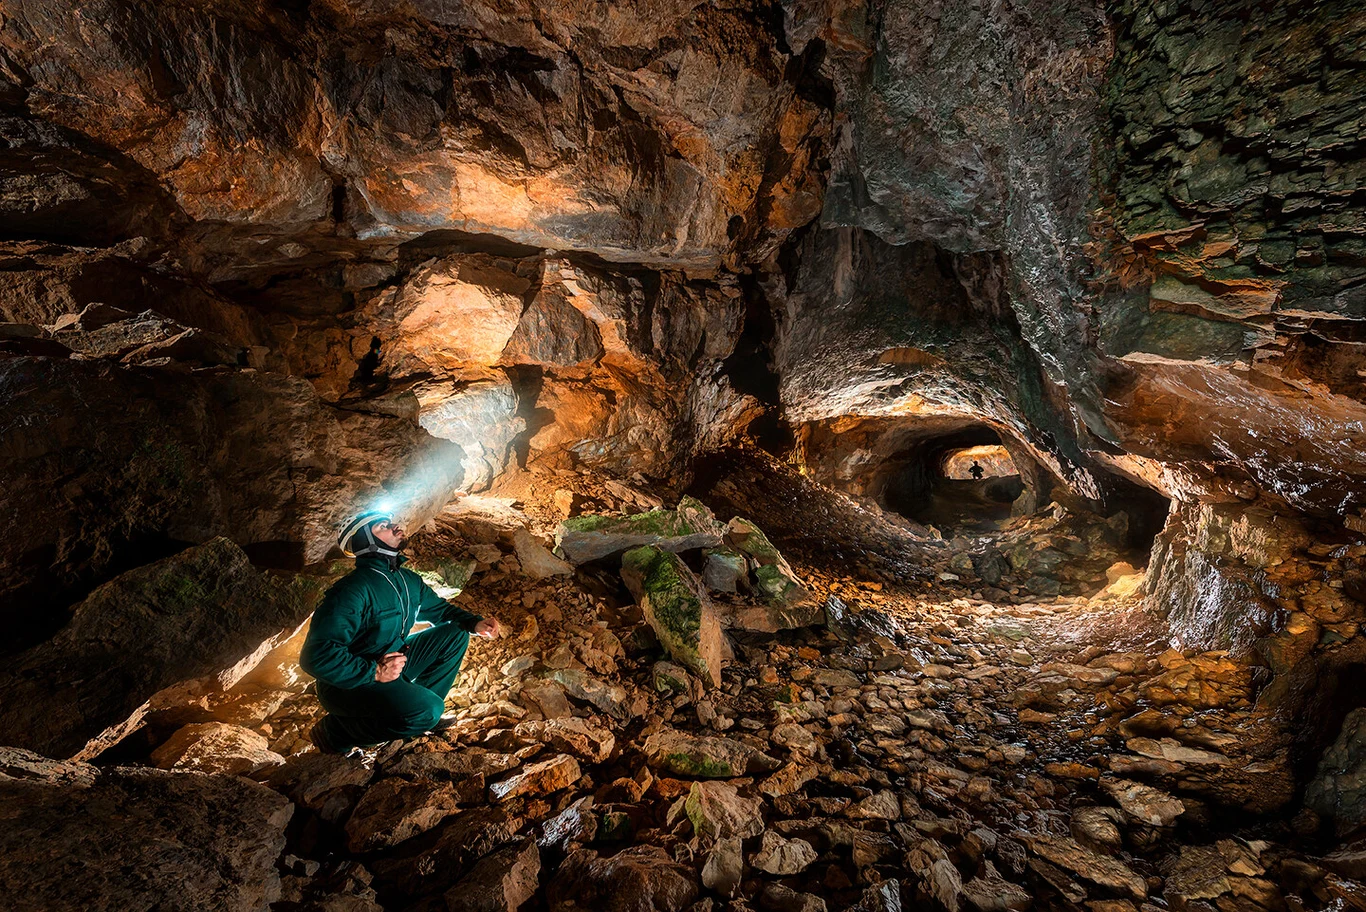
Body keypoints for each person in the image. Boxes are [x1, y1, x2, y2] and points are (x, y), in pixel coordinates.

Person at [301, 510, 501, 755]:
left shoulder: (407, 580)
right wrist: (374, 672)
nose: (396, 526)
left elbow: (439, 610)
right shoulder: (352, 590)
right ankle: (336, 732)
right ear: (364, 539)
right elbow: (317, 656)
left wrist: (474, 623)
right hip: (349, 686)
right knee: (427, 710)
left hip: (392, 665)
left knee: (456, 634)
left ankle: (419, 712)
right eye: (383, 526)